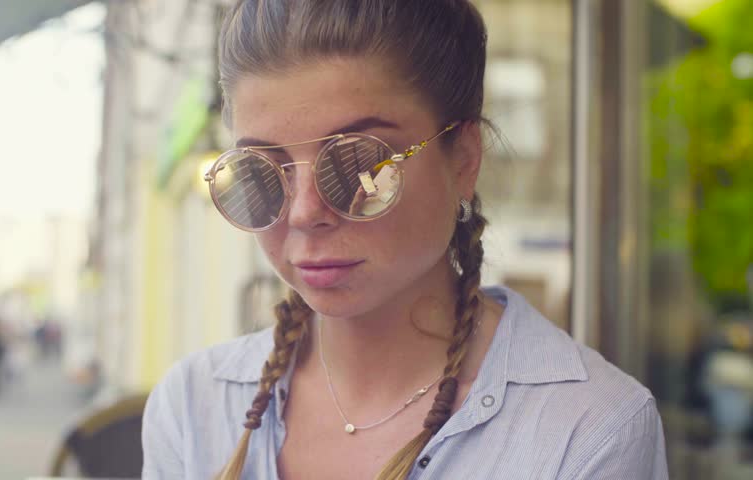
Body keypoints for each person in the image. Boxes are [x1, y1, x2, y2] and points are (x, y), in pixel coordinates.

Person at [141, 1, 669, 479]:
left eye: (359, 164)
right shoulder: (194, 408)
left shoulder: (587, 432)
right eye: (261, 172)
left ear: (464, 160)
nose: (303, 214)